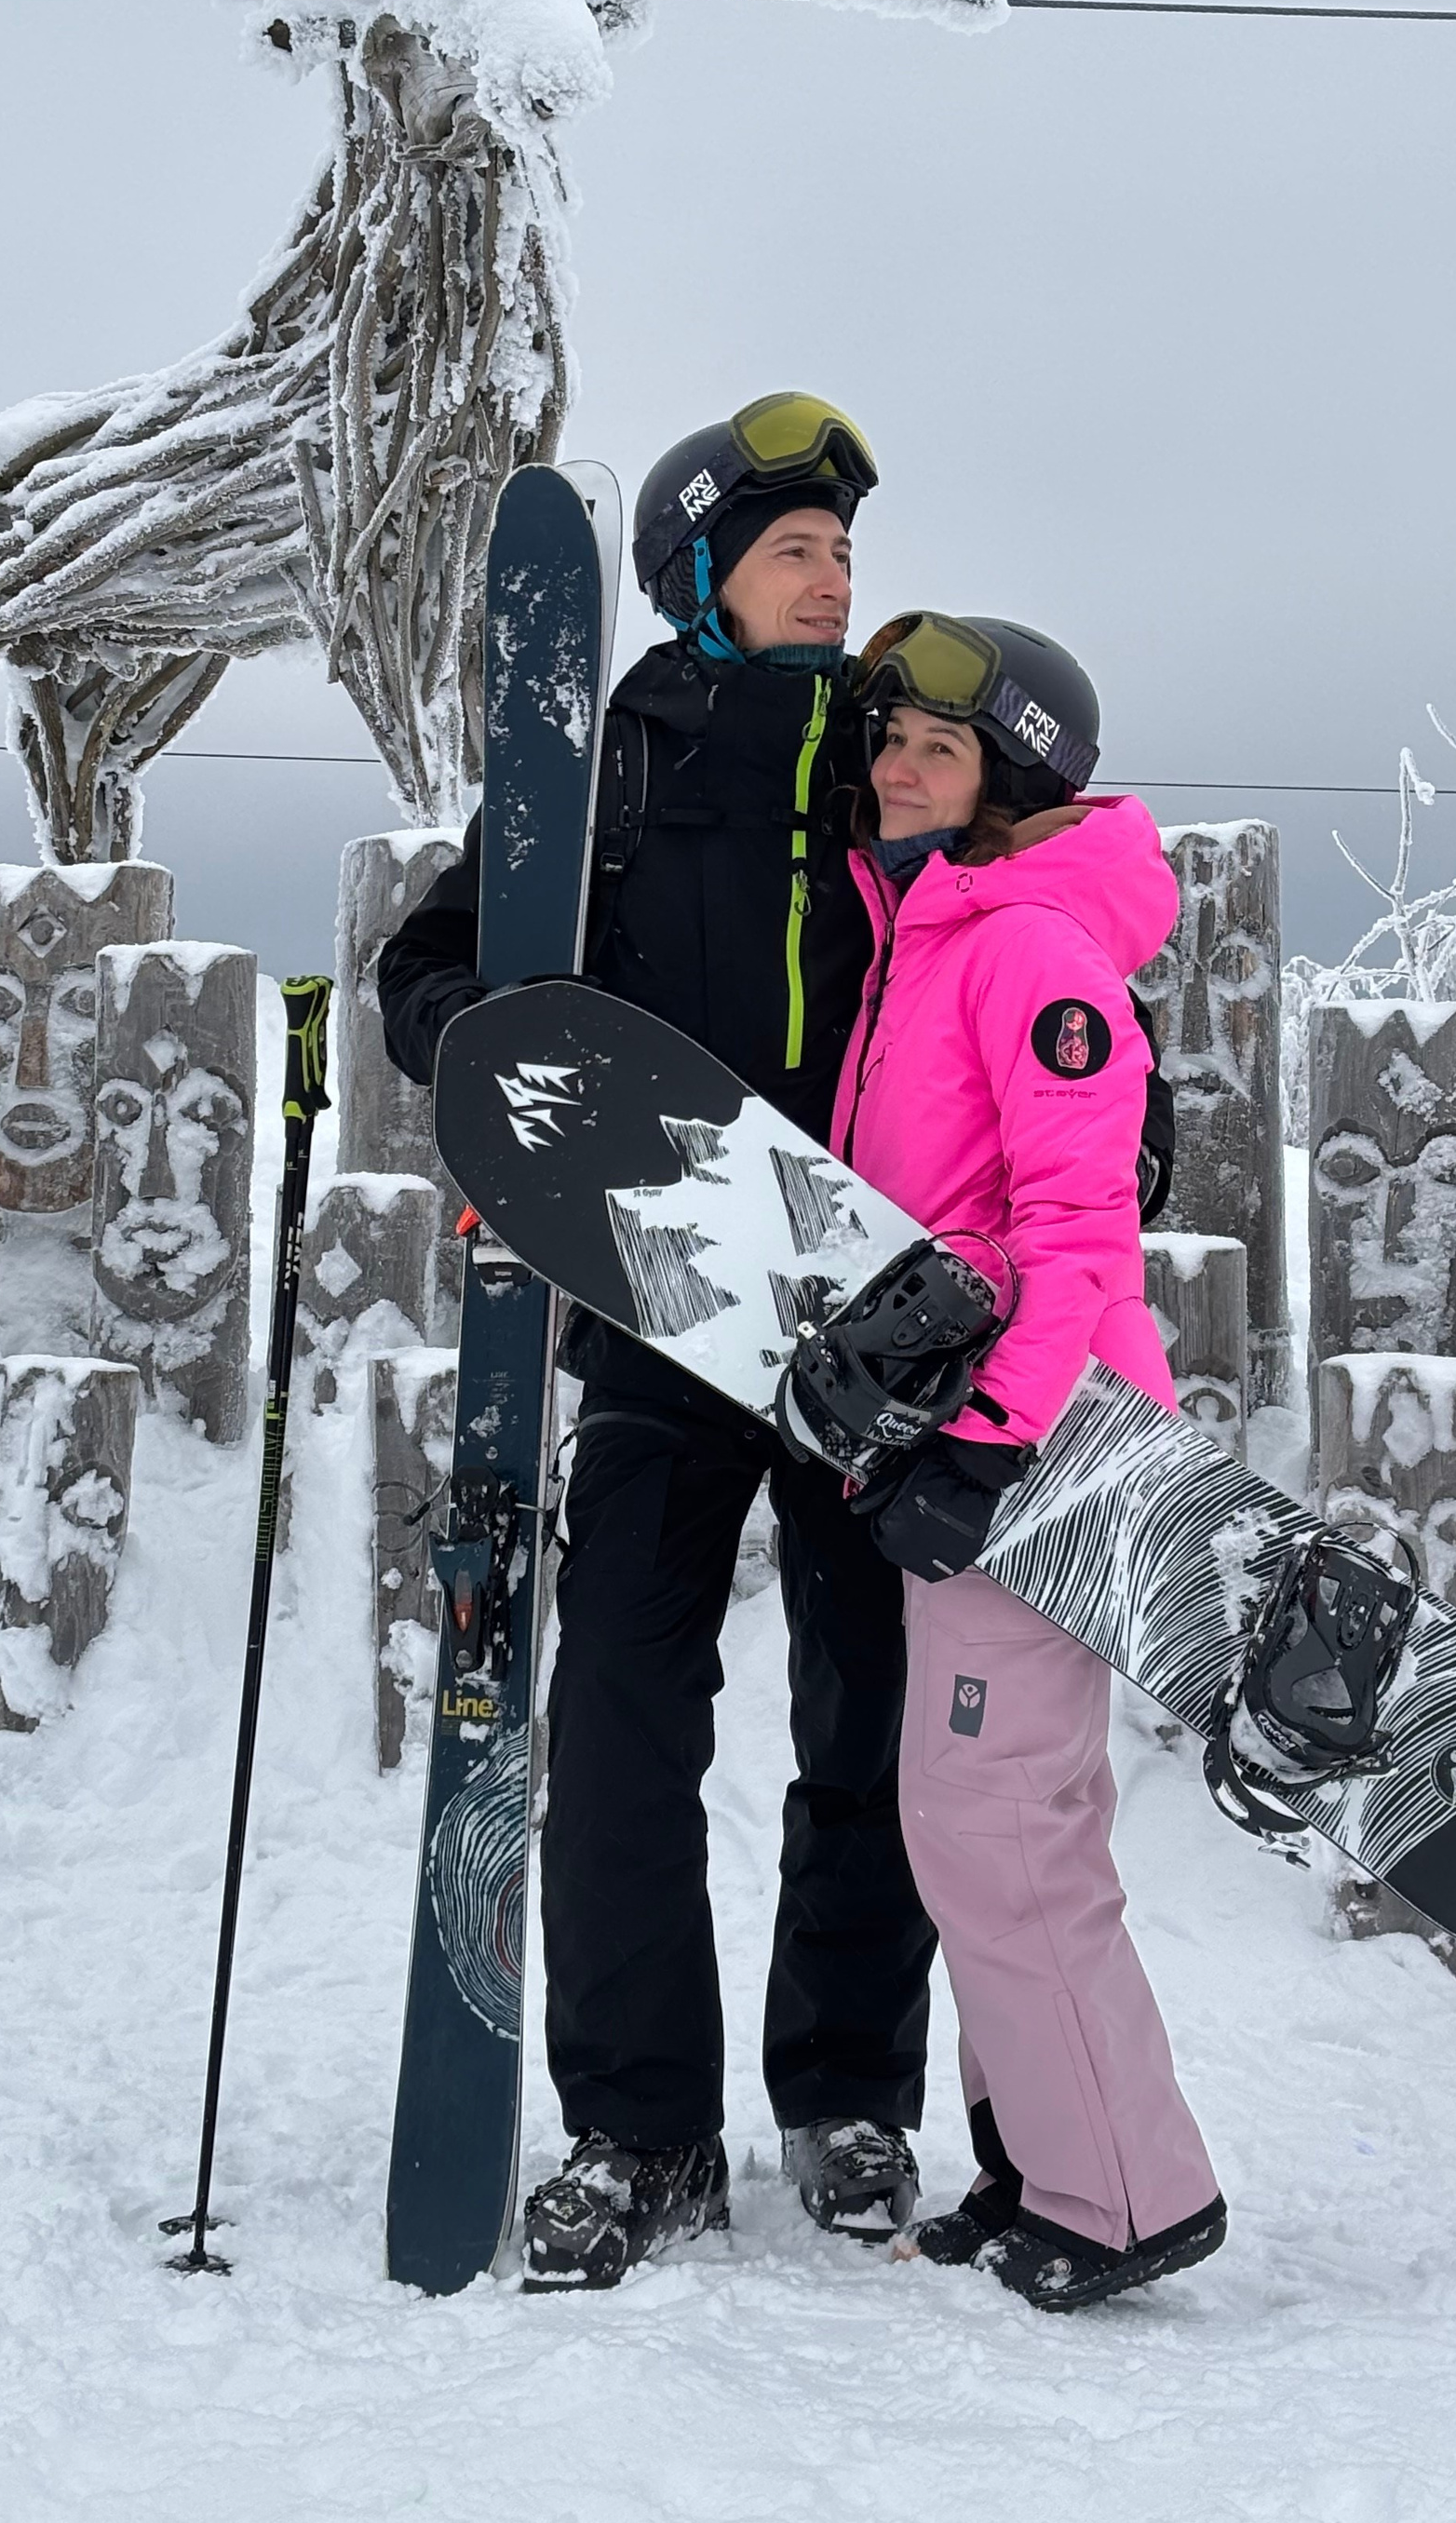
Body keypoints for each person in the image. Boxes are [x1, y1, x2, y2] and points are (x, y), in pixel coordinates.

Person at [374, 396, 937, 2288]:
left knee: (864, 1708)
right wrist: (485, 1037)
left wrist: (1120, 1115)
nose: (833, 582)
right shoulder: (605, 765)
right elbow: (433, 965)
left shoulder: (897, 765)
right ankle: (640, 2129)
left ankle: (847, 2094)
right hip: (660, 1295)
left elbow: (1032, 964)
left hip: (868, 1313)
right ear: (698, 577)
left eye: (845, 557)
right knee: (618, 1710)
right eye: (796, 552)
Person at [831, 609, 1229, 2312]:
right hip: (979, 1434)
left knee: (1000, 1822)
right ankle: (1038, 2157)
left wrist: (989, 1449)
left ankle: (1125, 2195)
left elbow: (1079, 1240)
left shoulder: (1032, 952)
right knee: (977, 1813)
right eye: (890, 738)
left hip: (1043, 1445)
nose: (897, 765)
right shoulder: (939, 931)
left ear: (1017, 772)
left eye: (936, 742)